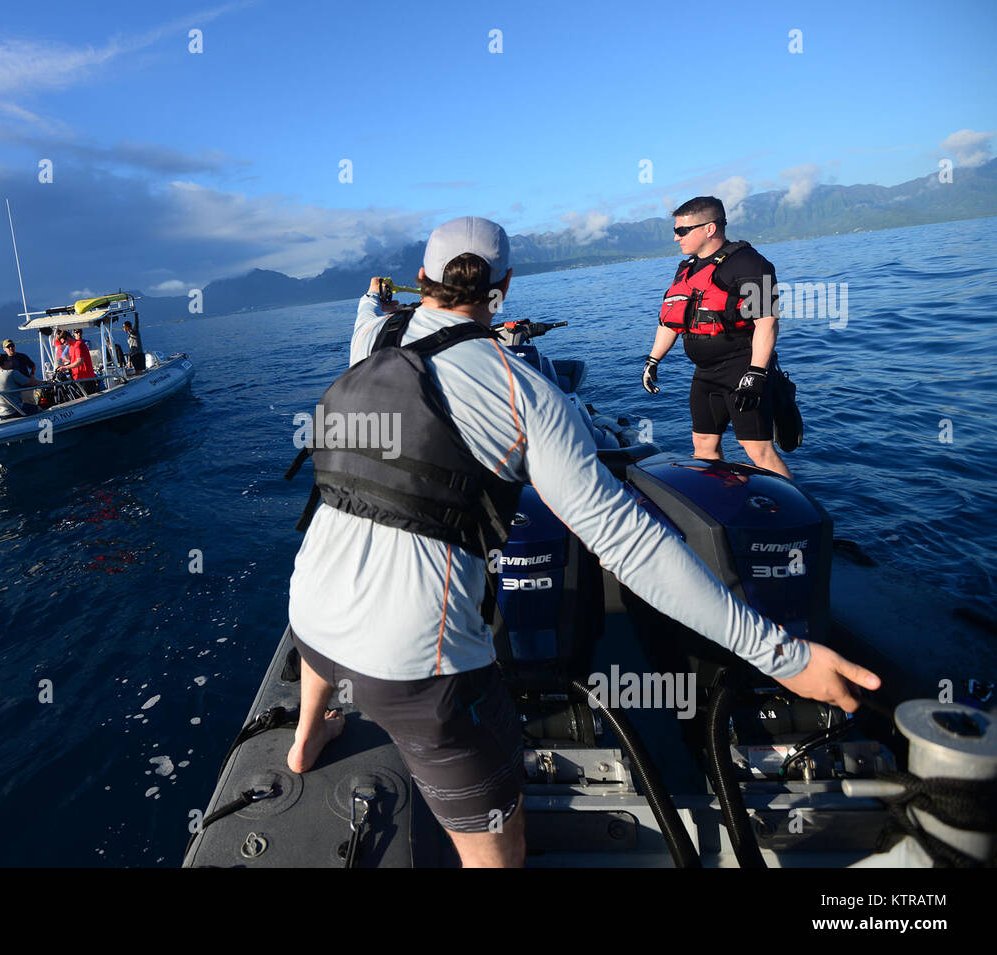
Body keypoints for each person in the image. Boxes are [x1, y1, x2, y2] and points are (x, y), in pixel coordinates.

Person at [286, 215, 879, 868]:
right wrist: (782, 655)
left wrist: (377, 296)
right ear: (505, 284)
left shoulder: (373, 340)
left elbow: (371, 308)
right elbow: (633, 548)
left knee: (331, 604)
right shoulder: (527, 393)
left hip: (308, 607)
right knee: (498, 851)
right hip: (408, 662)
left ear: (420, 280)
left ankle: (306, 738)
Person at [642, 196, 791, 478]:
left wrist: (756, 374)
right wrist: (653, 360)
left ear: (709, 228)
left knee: (757, 450)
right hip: (705, 374)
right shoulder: (687, 269)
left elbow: (767, 323)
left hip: (741, 368)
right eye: (676, 230)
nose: (676, 238)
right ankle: (727, 507)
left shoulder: (750, 264)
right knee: (703, 447)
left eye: (682, 230)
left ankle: (796, 514)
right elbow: (671, 320)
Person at [0, 353, 39, 417]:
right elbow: (31, 383)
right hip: (12, 411)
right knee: (38, 408)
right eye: (9, 360)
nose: (11, 362)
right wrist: (46, 383)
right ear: (5, 363)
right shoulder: (12, 373)